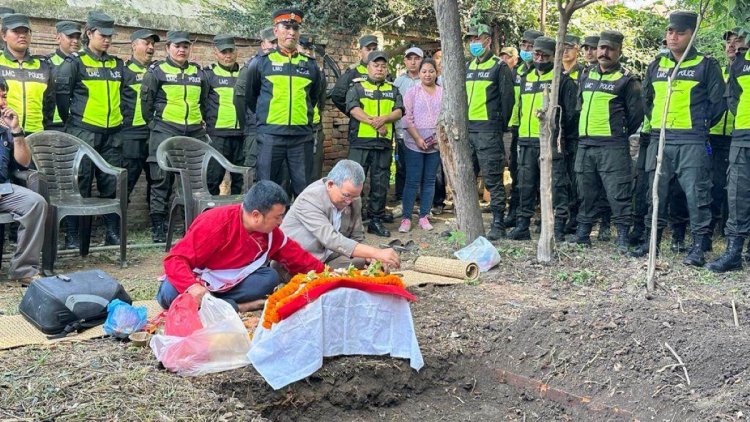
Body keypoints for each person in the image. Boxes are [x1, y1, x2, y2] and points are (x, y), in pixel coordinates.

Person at [633, 11, 726, 267]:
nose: (673, 37)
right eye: (670, 31)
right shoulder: (657, 65)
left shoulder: (707, 65)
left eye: (680, 32)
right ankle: (651, 243)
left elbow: (719, 104)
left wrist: (699, 126)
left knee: (697, 195)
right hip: (660, 138)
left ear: (692, 35)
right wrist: (658, 124)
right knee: (656, 193)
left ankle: (698, 248)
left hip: (692, 141)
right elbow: (647, 99)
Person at [157, 180, 324, 311]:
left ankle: (216, 304)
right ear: (256, 215)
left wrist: (328, 276)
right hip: (200, 277)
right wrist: (192, 286)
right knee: (169, 294)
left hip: (232, 282)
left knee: (269, 278)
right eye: (278, 217)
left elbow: (298, 257)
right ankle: (237, 306)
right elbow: (175, 259)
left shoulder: (272, 234)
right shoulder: (215, 222)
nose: (281, 222)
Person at [56, 11, 125, 248]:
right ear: (89, 33)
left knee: (111, 182)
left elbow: (125, 96)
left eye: (110, 36)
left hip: (113, 133)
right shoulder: (75, 63)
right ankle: (73, 236)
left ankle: (112, 233)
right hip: (83, 131)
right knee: (80, 183)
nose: (107, 40)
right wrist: (75, 121)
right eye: (102, 35)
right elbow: (62, 97)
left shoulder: (117, 64)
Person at [573, 31, 643, 252]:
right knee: (585, 191)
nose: (604, 52)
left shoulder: (627, 80)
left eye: (610, 49)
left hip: (612, 146)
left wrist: (616, 133)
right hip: (585, 144)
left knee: (618, 192)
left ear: (619, 52)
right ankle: (583, 234)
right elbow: (579, 106)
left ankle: (622, 237)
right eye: (601, 47)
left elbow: (636, 116)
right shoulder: (586, 75)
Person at [241, 9, 323, 197]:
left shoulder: (310, 65)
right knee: (267, 189)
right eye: (286, 27)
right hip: (270, 136)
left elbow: (314, 97)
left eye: (295, 28)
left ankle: (298, 226)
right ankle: (267, 228)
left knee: (304, 191)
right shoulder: (261, 62)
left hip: (301, 137)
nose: (291, 32)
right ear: (275, 31)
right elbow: (251, 97)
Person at [141, 30, 209, 243]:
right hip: (165, 131)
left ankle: (191, 226)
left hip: (193, 133)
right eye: (177, 46)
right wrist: (156, 125)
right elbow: (146, 103)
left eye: (185, 46)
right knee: (161, 180)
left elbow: (204, 102)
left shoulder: (199, 73)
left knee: (192, 182)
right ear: (167, 48)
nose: (181, 50)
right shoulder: (156, 72)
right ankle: (158, 227)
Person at [508, 36, 578, 241]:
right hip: (526, 140)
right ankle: (522, 225)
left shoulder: (562, 80)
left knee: (556, 185)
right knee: (525, 184)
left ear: (553, 56)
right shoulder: (525, 77)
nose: (539, 58)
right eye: (536, 53)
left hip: (550, 141)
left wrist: (558, 135)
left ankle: (557, 227)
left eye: (544, 55)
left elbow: (571, 114)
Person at [281, 160, 400, 270]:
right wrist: (375, 252)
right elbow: (331, 239)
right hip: (299, 261)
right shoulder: (310, 199)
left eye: (355, 196)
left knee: (365, 261)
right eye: (346, 195)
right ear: (330, 185)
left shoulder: (354, 199)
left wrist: (371, 257)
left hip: (329, 257)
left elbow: (357, 237)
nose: (350, 201)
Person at [345, 50, 404, 238]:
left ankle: (375, 220)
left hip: (383, 144)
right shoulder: (357, 87)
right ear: (368, 67)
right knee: (353, 183)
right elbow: (353, 109)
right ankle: (350, 222)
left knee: (380, 184)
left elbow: (399, 111)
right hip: (360, 143)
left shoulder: (393, 89)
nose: (380, 69)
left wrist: (384, 119)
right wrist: (375, 123)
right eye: (376, 65)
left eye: (383, 66)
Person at [465, 24, 514, 240]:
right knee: (466, 177)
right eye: (471, 39)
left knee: (493, 179)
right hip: (468, 131)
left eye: (478, 38)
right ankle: (466, 223)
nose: (474, 42)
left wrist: (497, 126)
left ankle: (498, 223)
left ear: (487, 40)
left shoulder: (499, 66)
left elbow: (507, 101)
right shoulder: (468, 66)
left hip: (488, 130)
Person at [706, 32, 750, 272]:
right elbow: (732, 97)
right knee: (737, 193)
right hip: (742, 134)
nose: (733, 45)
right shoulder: (740, 64)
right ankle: (734, 251)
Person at [0, 77, 47, 283]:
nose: (3, 102)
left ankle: (24, 270)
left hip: (3, 188)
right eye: (0, 96)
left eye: (5, 96)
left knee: (35, 203)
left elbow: (24, 163)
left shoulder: (5, 127)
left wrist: (16, 132)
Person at [399, 58, 442, 233]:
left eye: (431, 71)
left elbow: (448, 116)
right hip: (413, 143)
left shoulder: (443, 92)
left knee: (430, 180)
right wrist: (417, 138)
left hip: (436, 144)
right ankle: (406, 218)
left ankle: (424, 215)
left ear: (436, 72)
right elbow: (406, 118)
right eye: (424, 71)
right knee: (412, 180)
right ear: (419, 73)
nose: (427, 74)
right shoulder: (412, 92)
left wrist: (440, 137)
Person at [506, 29, 544, 228]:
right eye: (524, 45)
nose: (527, 49)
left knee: (541, 177)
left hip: (541, 134)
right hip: (518, 129)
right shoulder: (517, 71)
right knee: (517, 173)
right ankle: (515, 212)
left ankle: (541, 216)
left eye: (531, 46)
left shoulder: (547, 74)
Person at [117, 29, 159, 202]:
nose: (151, 47)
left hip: (155, 134)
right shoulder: (123, 71)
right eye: (146, 43)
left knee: (157, 181)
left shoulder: (158, 71)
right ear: (134, 45)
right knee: (126, 182)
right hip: (131, 136)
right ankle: (118, 225)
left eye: (153, 44)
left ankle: (157, 225)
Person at [0, 14, 55, 135]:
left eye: (26, 31)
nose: (22, 35)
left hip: (36, 134)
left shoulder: (44, 67)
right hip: (4, 133)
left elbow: (49, 104)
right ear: (4, 35)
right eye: (16, 31)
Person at [235, 27, 276, 184]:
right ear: (263, 44)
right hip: (255, 128)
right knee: (253, 175)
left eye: (277, 42)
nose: (274, 46)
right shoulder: (252, 66)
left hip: (276, 129)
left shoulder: (283, 65)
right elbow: (239, 99)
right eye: (271, 42)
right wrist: (251, 122)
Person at [205, 34, 244, 195]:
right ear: (216, 53)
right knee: (213, 179)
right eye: (223, 52)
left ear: (236, 52)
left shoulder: (244, 73)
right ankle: (209, 217)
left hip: (242, 135)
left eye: (230, 51)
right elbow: (201, 102)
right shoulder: (208, 74)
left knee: (240, 180)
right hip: (217, 136)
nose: (227, 56)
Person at [392, 46, 423, 209]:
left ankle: (425, 201)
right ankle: (401, 199)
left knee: (423, 167)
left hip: (423, 131)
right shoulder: (398, 82)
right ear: (404, 61)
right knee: (402, 166)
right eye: (409, 58)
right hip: (402, 131)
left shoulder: (427, 79)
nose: (413, 62)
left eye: (416, 58)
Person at [298, 35, 327, 183]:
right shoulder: (289, 68)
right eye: (304, 48)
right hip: (295, 127)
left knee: (314, 172)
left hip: (314, 127)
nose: (308, 52)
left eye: (310, 49)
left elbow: (320, 100)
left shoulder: (318, 71)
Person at [331, 34, 378, 114]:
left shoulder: (384, 73)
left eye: (374, 49)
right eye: (368, 49)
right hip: (360, 124)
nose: (372, 52)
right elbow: (337, 96)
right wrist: (353, 113)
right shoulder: (353, 72)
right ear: (360, 52)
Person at [48, 21, 81, 129]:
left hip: (79, 123)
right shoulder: (47, 63)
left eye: (78, 37)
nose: (75, 41)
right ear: (58, 38)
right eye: (70, 37)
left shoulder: (84, 63)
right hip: (54, 123)